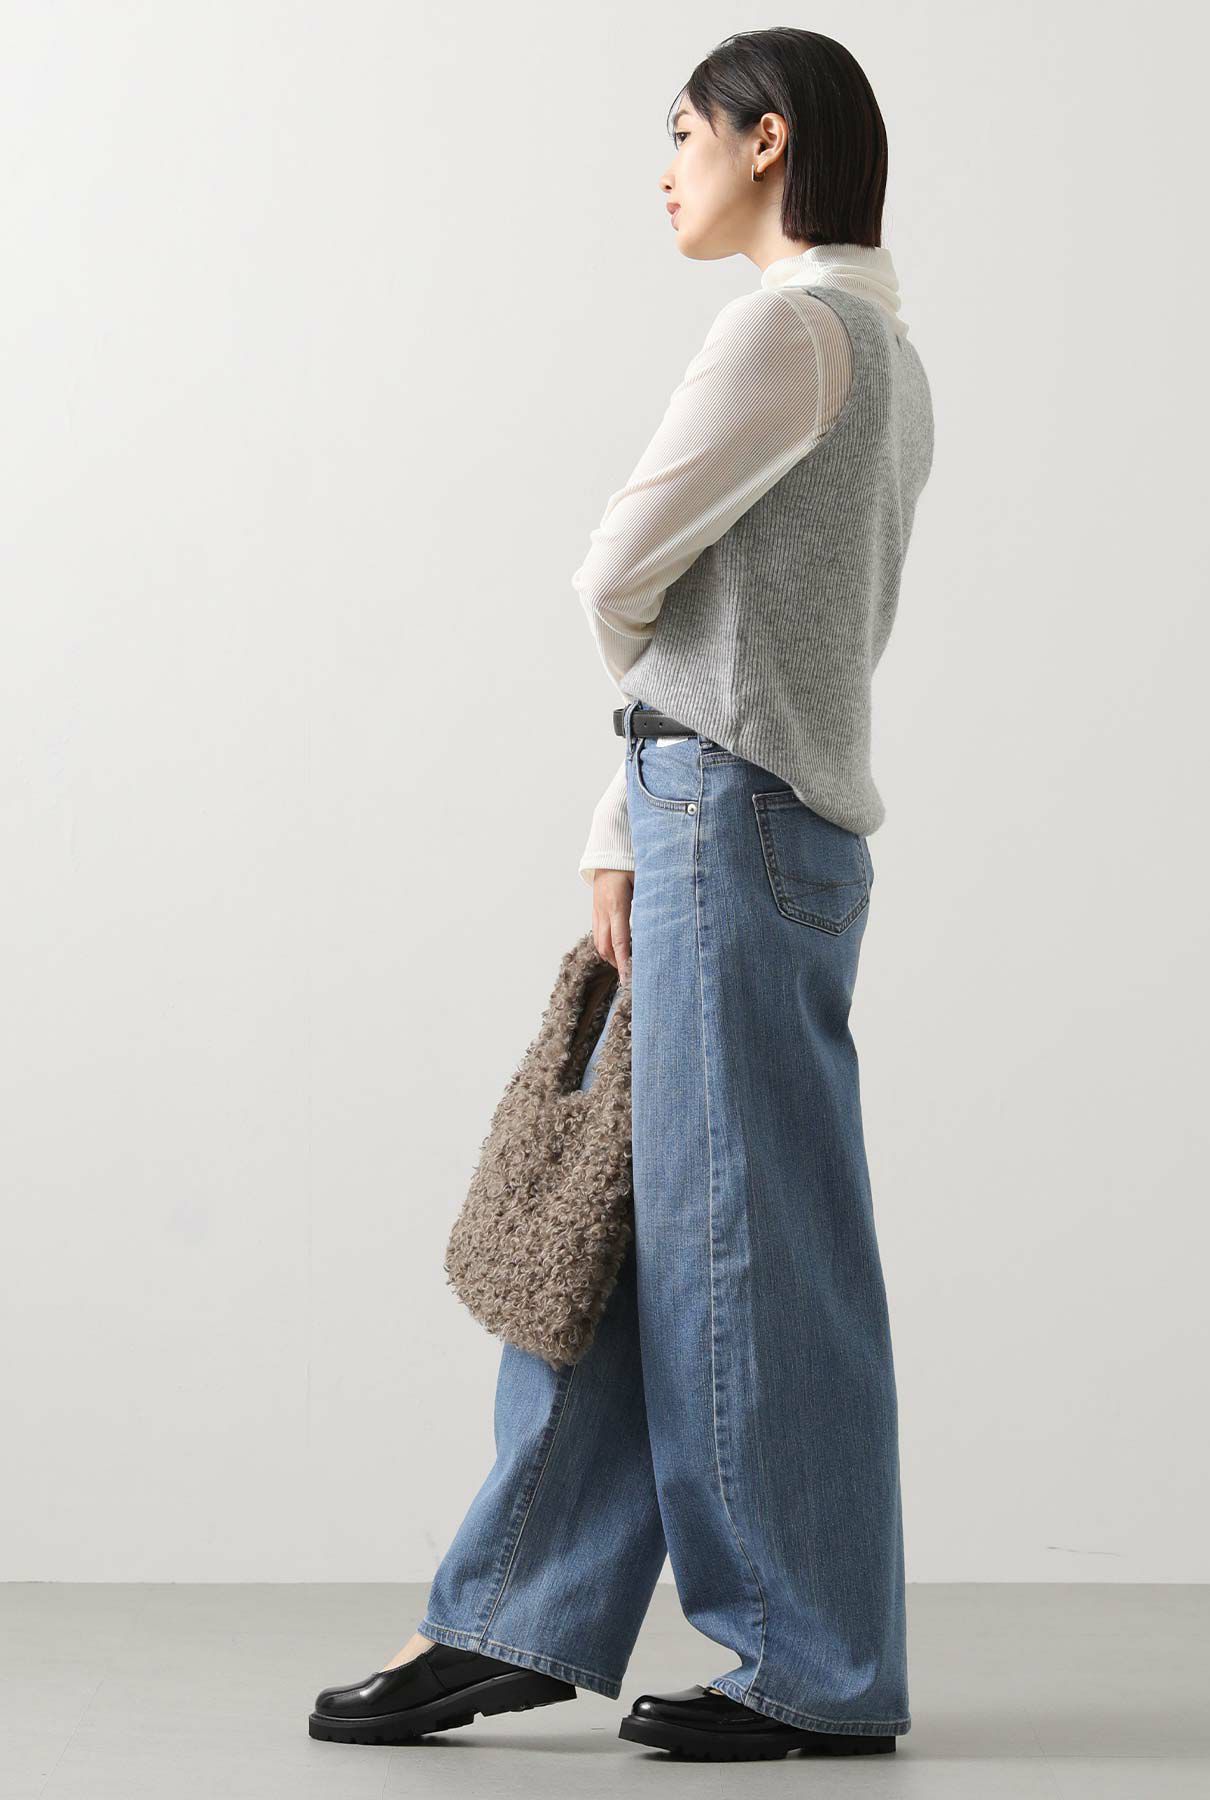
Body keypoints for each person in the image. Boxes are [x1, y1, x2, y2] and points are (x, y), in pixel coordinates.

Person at [309, 26, 935, 1762]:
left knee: (738, 1253)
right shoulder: (887, 351)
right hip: (740, 822)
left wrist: (654, 793)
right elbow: (774, 627)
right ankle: (510, 1613)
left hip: (727, 822)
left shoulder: (786, 330)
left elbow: (620, 573)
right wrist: (622, 811)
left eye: (683, 134)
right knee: (629, 1234)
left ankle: (811, 1670)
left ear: (767, 139)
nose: (665, 170)